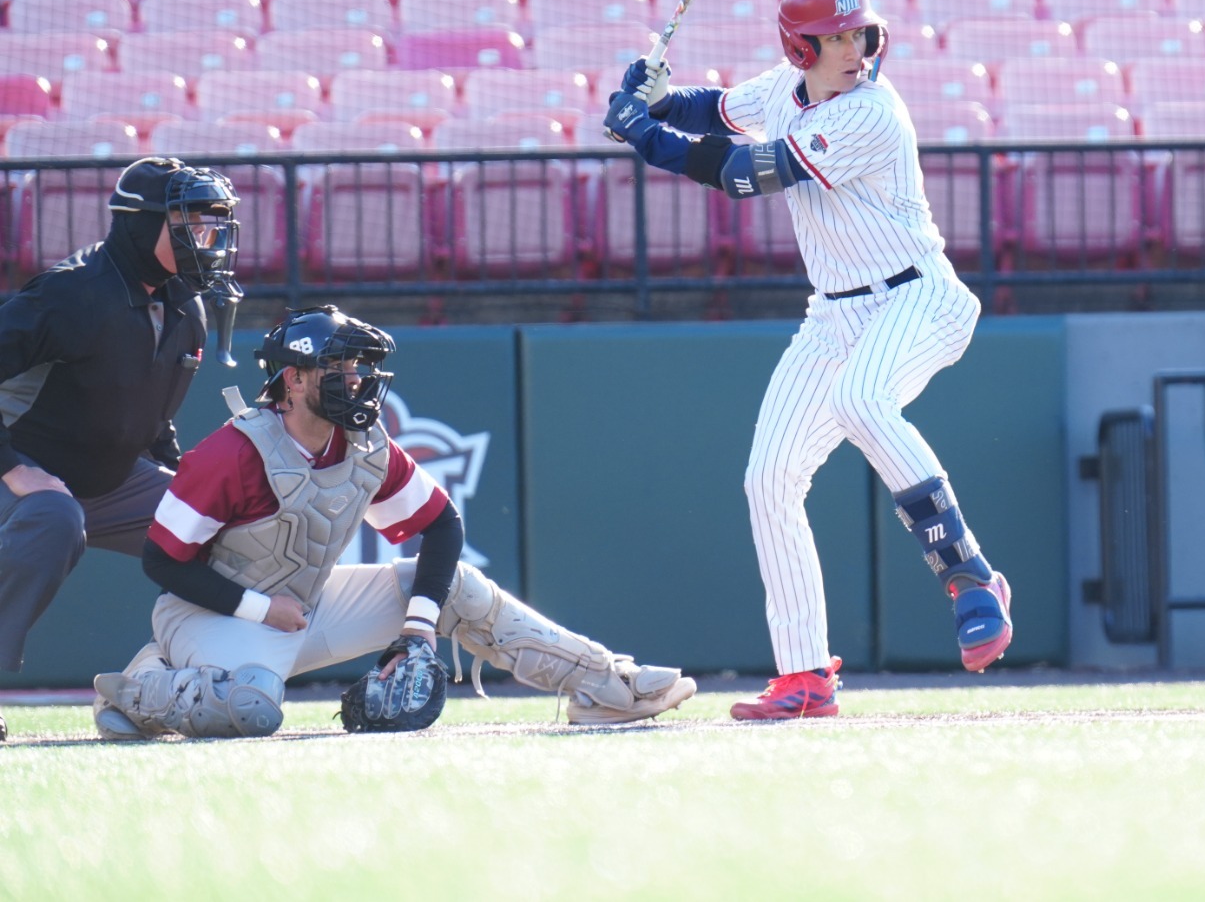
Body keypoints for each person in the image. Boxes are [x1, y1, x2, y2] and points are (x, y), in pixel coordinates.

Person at [603, 0, 1013, 721]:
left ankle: (970, 574)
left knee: (862, 400)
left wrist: (644, 134)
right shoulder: (784, 89)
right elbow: (720, 110)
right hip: (834, 314)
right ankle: (803, 675)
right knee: (769, 477)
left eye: (860, 32)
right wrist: (658, 95)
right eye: (836, 37)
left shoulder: (870, 112)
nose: (855, 47)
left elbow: (743, 172)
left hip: (918, 295)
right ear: (802, 47)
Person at [93, 305, 696, 739]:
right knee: (255, 709)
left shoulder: (364, 443)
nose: (356, 380)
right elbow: (161, 561)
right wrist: (258, 609)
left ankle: (604, 684)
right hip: (212, 616)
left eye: (358, 366)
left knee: (454, 585)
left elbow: (442, 526)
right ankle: (144, 684)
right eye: (339, 367)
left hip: (302, 606)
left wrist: (418, 625)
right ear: (293, 379)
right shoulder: (230, 452)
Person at [0, 157, 242, 677]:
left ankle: (213, 673)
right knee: (53, 516)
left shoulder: (187, 305)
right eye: (189, 224)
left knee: (224, 528)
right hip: (24, 471)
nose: (205, 238)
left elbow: (150, 414)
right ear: (141, 223)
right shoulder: (70, 293)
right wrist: (14, 469)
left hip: (105, 479)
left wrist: (185, 485)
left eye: (210, 224)